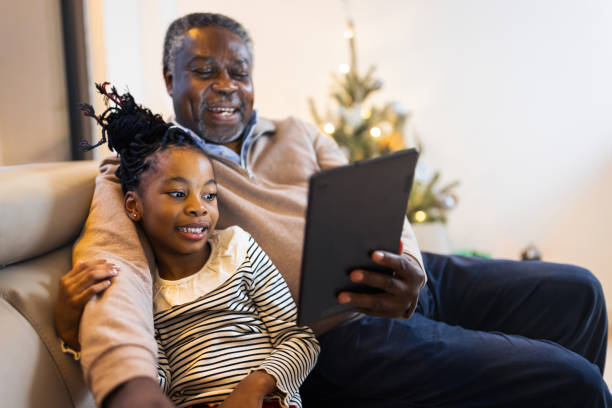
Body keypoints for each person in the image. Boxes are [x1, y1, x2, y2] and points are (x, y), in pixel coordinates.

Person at [56, 12, 610, 408]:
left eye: (240, 71)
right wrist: (132, 389)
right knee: (574, 384)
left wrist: (409, 266)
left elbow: (381, 206)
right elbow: (116, 275)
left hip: (401, 279)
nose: (227, 85)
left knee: (579, 293)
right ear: (170, 80)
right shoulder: (150, 169)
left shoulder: (297, 132)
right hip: (337, 332)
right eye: (204, 70)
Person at [69, 83, 319, 408]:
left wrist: (257, 386)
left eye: (209, 195)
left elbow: (300, 339)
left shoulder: (238, 249)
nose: (198, 207)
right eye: (177, 193)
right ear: (133, 206)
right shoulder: (146, 293)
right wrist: (69, 325)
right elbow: (158, 379)